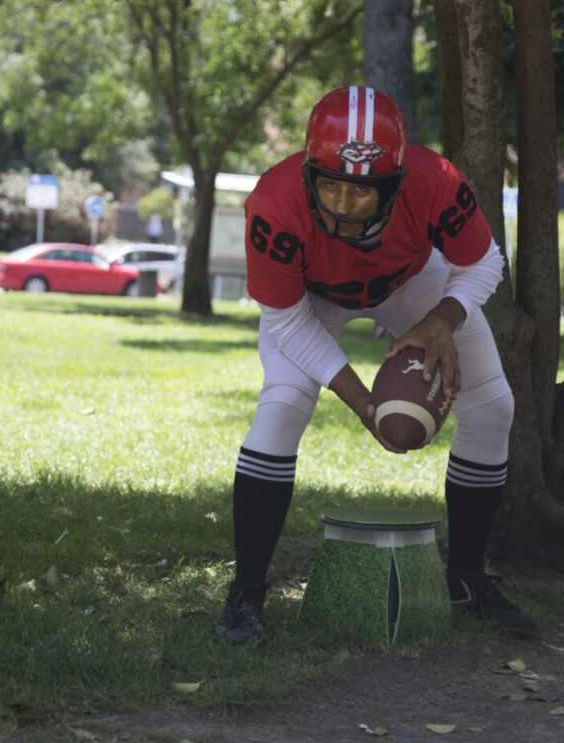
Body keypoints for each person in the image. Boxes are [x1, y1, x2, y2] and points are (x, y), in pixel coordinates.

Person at [215, 86, 535, 643]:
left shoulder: (435, 180)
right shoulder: (275, 202)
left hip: (411, 279)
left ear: (395, 182)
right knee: (284, 404)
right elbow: (288, 321)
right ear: (308, 172)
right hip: (310, 297)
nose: (342, 204)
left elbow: (484, 261)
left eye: (362, 193)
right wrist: (361, 399)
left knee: (493, 407)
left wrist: (441, 320)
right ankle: (245, 595)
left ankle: (465, 578)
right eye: (331, 185)